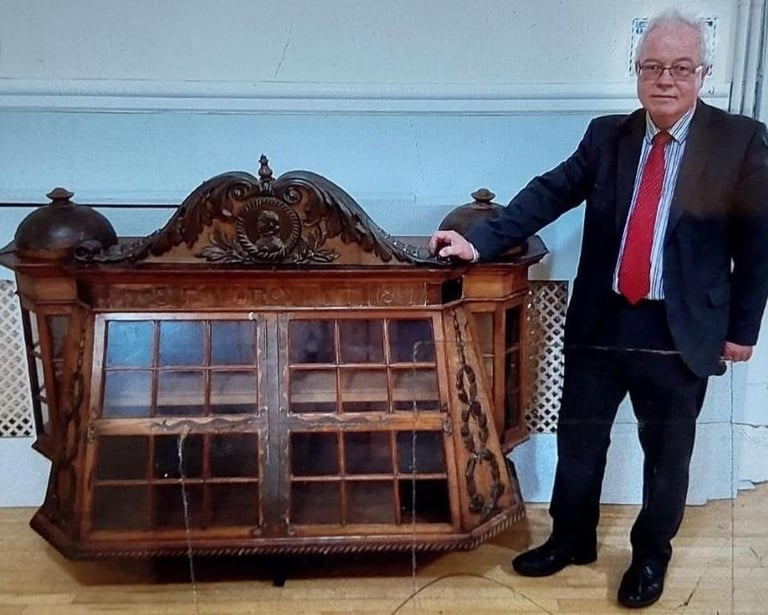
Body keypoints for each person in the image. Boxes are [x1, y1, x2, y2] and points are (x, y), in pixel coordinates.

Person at [429, 9, 768, 609]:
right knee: (579, 441)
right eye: (652, 66)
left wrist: (743, 329)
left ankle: (649, 557)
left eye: (680, 68)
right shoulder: (606, 134)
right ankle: (571, 539)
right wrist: (478, 241)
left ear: (703, 74)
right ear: (636, 72)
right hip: (603, 319)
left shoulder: (738, 140)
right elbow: (550, 191)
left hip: (679, 327)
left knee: (667, 453)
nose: (665, 78)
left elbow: (758, 242)